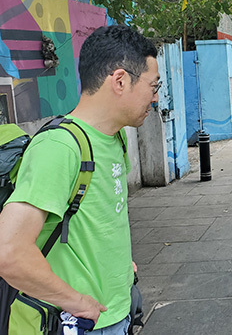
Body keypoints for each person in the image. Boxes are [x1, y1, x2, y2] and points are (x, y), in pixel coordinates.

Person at [0, 25, 160, 334]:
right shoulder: (59, 148)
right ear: (120, 80)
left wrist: (119, 266)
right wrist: (75, 301)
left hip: (119, 312)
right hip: (83, 324)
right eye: (153, 86)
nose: (155, 98)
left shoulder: (115, 139)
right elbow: (8, 250)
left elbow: (99, 218)